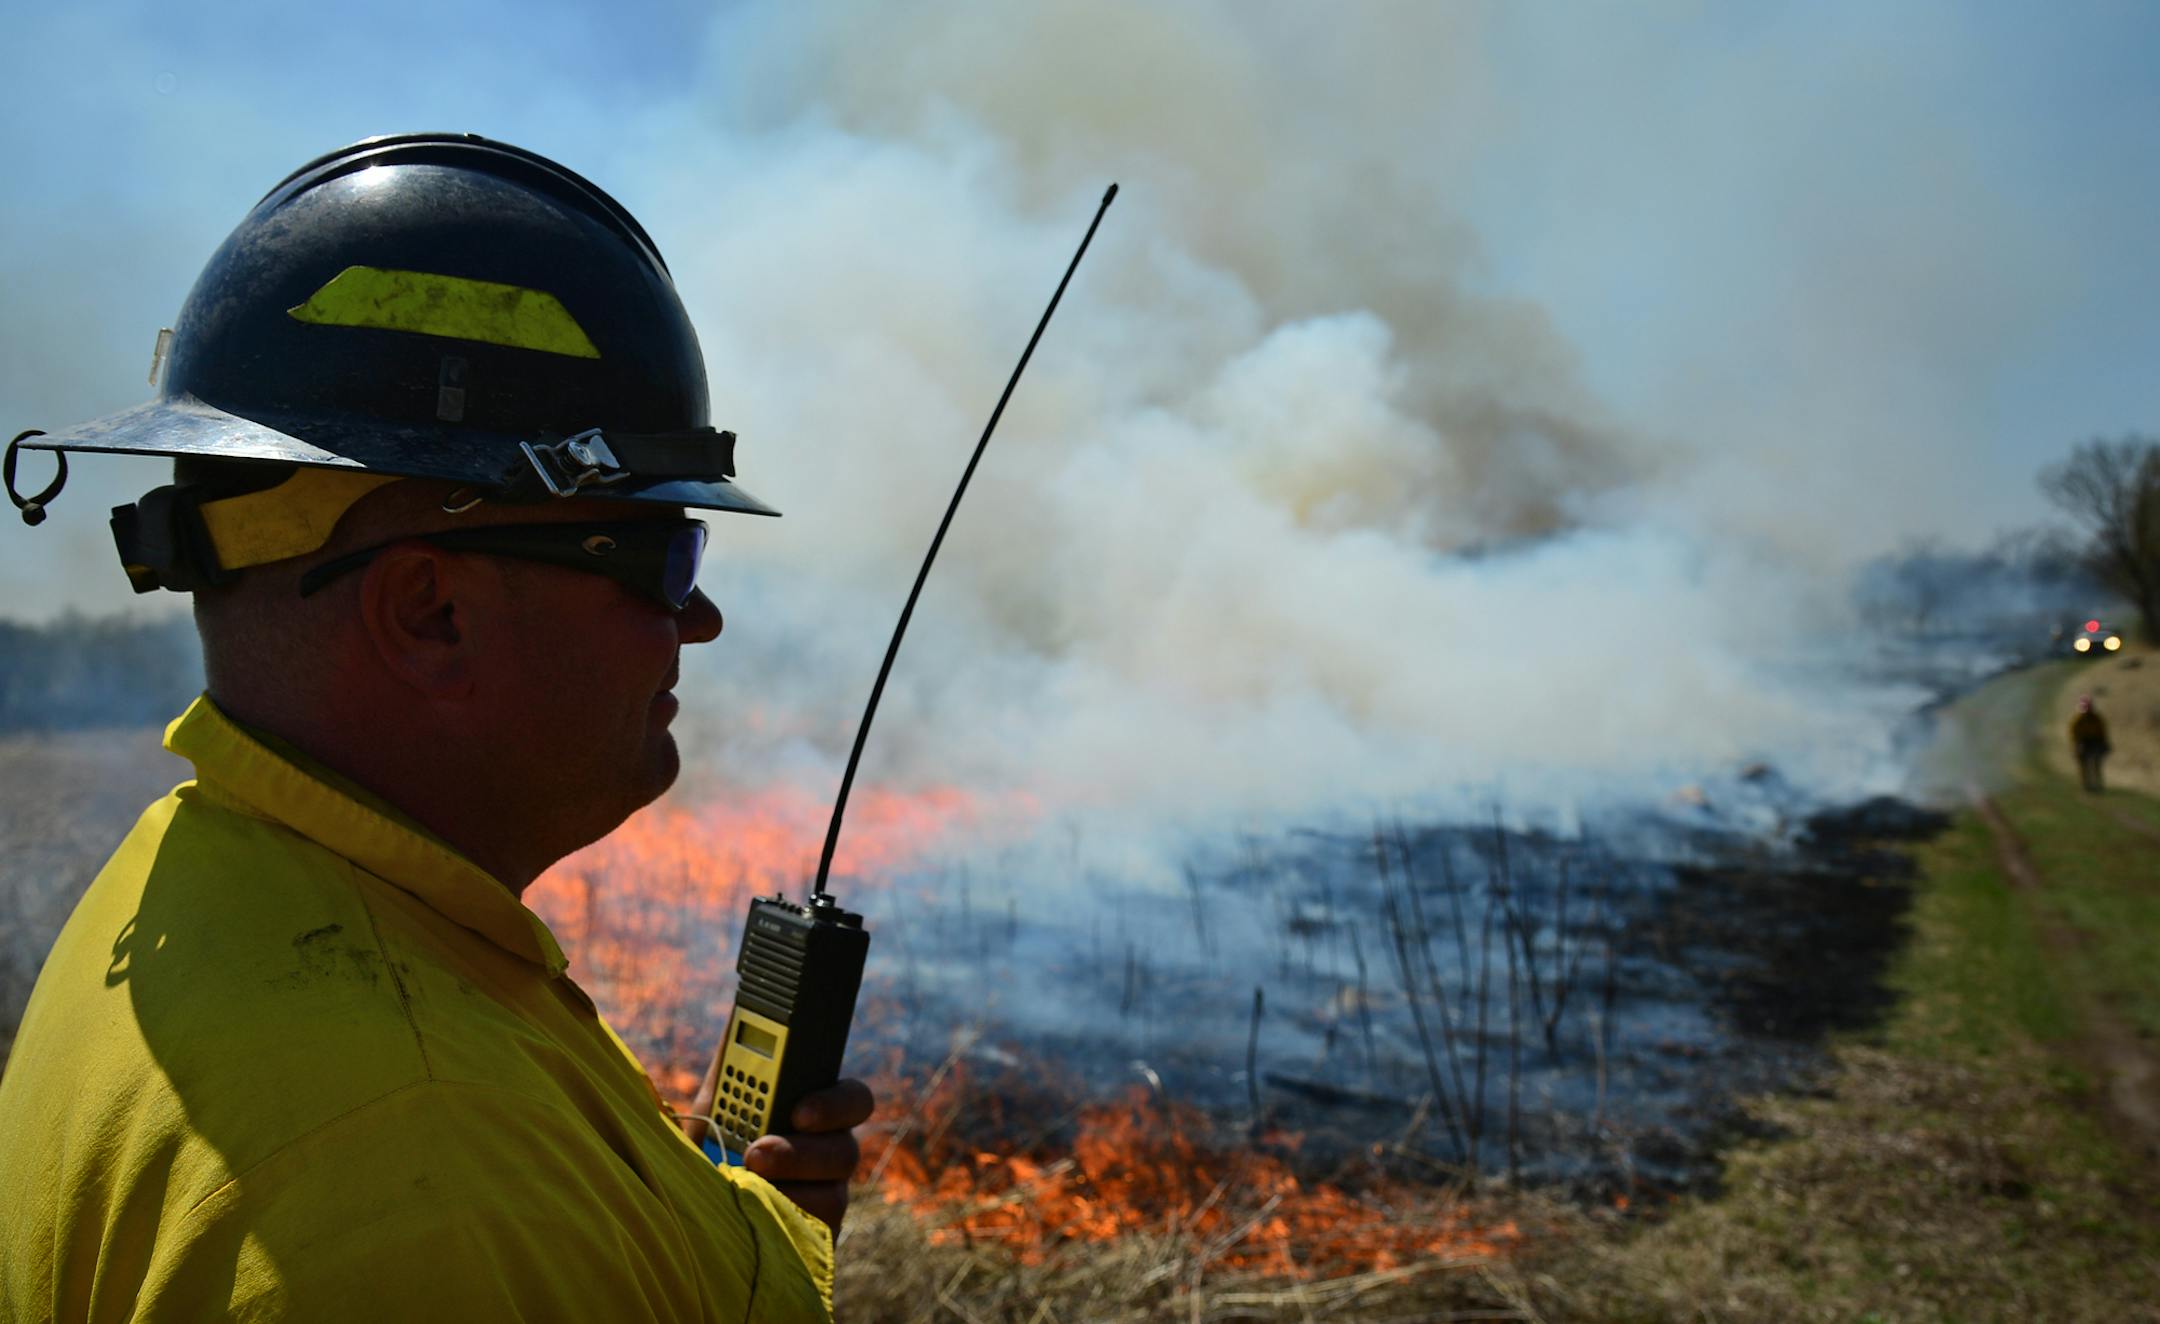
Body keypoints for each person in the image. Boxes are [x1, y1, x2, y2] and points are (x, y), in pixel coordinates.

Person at [0, 135, 870, 1321]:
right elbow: (441, 1200)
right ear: (432, 612)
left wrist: (732, 1225)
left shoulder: (198, 877)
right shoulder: (428, 1194)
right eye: (665, 556)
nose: (700, 617)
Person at [2070, 694, 2111, 793]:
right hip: (2083, 742)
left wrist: (2104, 743)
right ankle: (2086, 785)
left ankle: (2098, 784)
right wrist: (2076, 745)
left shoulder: (2097, 718)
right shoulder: (2077, 719)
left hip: (2095, 741)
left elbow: (2102, 732)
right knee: (2083, 765)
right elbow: (2073, 733)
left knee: (2097, 763)